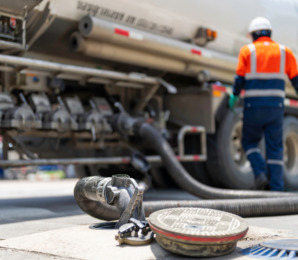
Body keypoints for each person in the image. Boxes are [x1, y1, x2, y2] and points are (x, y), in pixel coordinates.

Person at [229, 17, 298, 191]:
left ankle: (260, 173)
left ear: (253, 34)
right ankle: (276, 190)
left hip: (253, 108)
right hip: (275, 109)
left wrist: (234, 95)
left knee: (249, 143)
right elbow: (296, 80)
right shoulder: (285, 52)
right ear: (269, 33)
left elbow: (239, 79)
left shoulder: (247, 51)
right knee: (275, 148)